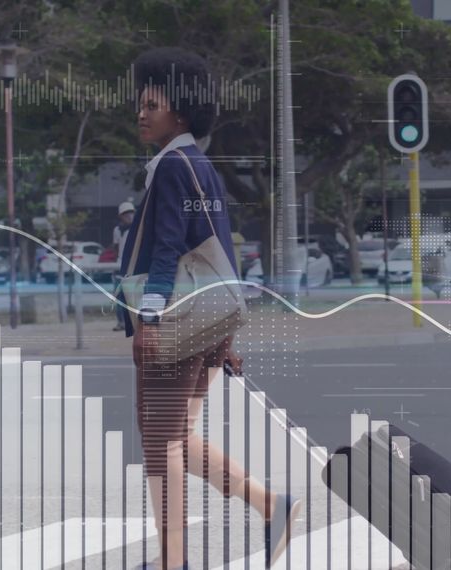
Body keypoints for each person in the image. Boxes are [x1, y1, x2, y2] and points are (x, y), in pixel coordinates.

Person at [119, 47, 301, 570]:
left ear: (179, 112)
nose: (141, 112)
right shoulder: (203, 168)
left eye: (152, 104)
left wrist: (148, 320)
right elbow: (221, 253)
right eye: (141, 103)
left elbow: (168, 250)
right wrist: (224, 336)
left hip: (174, 324)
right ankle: (272, 506)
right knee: (174, 437)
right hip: (202, 324)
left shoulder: (174, 167)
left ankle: (173, 561)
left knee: (160, 443)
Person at [113, 200, 136, 331]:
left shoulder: (137, 229)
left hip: (132, 265)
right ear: (120, 216)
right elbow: (116, 246)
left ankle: (133, 322)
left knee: (132, 295)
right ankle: (121, 322)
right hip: (119, 265)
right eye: (125, 214)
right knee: (118, 295)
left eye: (131, 213)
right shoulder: (117, 230)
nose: (129, 216)